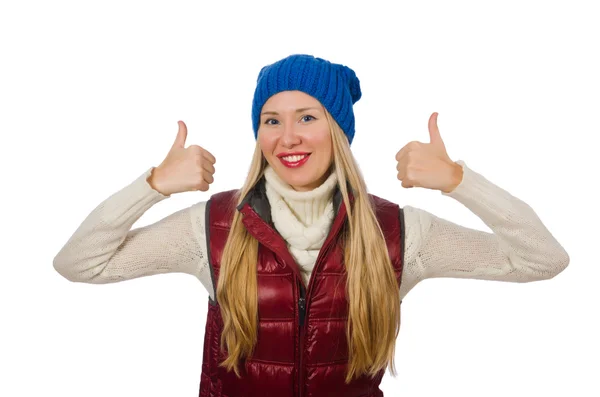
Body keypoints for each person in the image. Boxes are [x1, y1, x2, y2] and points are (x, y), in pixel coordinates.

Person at [53, 54, 570, 397]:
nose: (288, 137)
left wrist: (458, 181)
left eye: (308, 116)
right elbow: (78, 264)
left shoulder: (399, 235)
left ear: (338, 130)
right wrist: (153, 185)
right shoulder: (213, 228)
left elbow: (542, 260)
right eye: (271, 120)